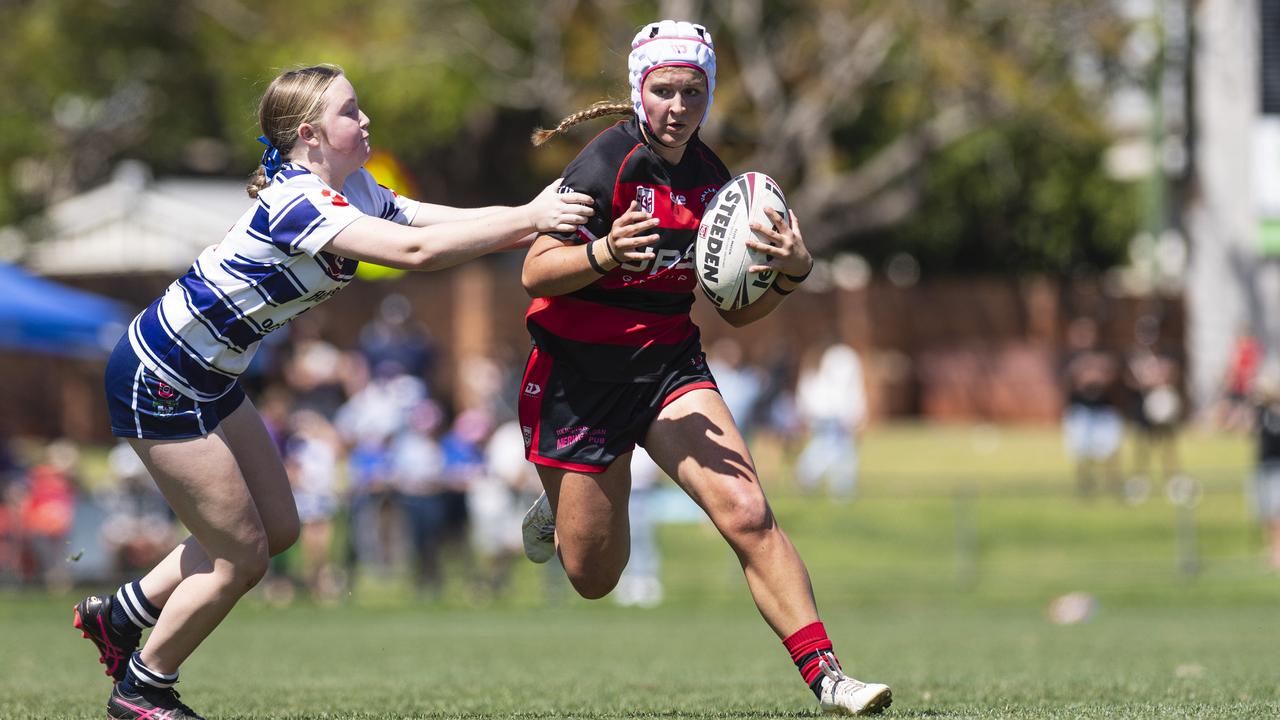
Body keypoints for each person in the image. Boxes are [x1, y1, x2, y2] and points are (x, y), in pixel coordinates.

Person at [71, 64, 593, 720]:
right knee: (242, 556)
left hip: (210, 373)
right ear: (313, 135)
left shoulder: (352, 189)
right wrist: (528, 215)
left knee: (280, 527)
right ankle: (144, 687)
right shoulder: (299, 201)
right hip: (162, 373)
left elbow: (428, 220)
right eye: (353, 111)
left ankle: (122, 616)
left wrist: (530, 219)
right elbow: (417, 250)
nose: (366, 120)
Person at [515, 21, 890, 715]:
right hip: (579, 379)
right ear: (639, 90)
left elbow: (737, 313)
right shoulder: (605, 164)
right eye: (664, 90)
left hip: (667, 368)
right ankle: (565, 502)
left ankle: (830, 677)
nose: (679, 106)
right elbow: (535, 269)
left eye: (694, 91)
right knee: (595, 575)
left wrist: (790, 272)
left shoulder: (716, 182)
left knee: (748, 512)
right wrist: (604, 254)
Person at [794, 342, 868, 500]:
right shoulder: (841, 358)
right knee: (835, 451)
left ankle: (835, 486)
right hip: (834, 415)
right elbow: (850, 389)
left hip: (829, 415)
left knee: (832, 449)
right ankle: (812, 475)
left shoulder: (823, 363)